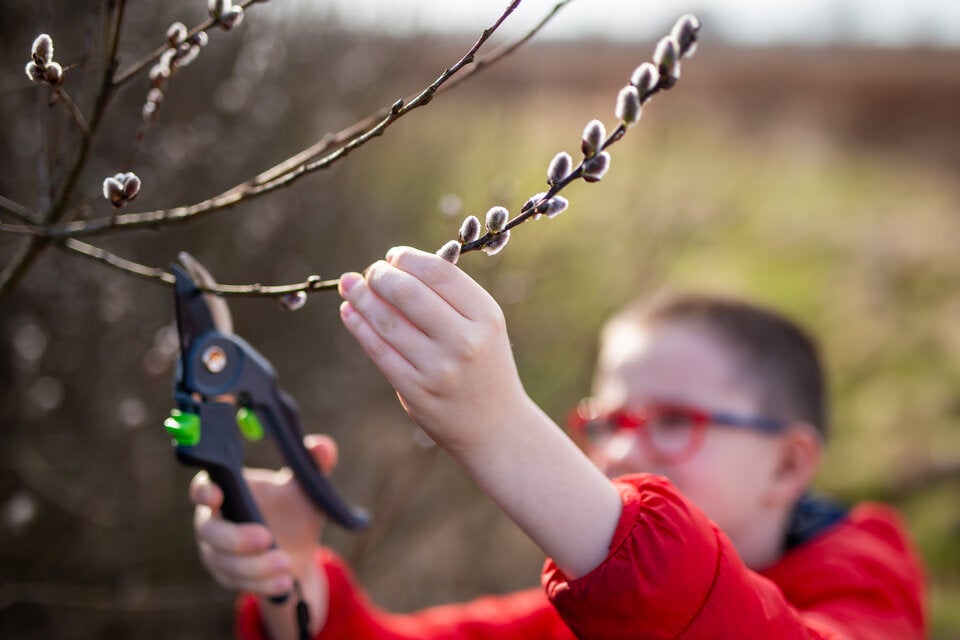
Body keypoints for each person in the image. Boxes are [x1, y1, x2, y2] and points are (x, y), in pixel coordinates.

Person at [191, 246, 927, 639]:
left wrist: (500, 431)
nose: (622, 454)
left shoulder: (869, 597)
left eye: (673, 420)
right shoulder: (572, 618)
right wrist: (292, 582)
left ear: (789, 462)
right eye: (606, 421)